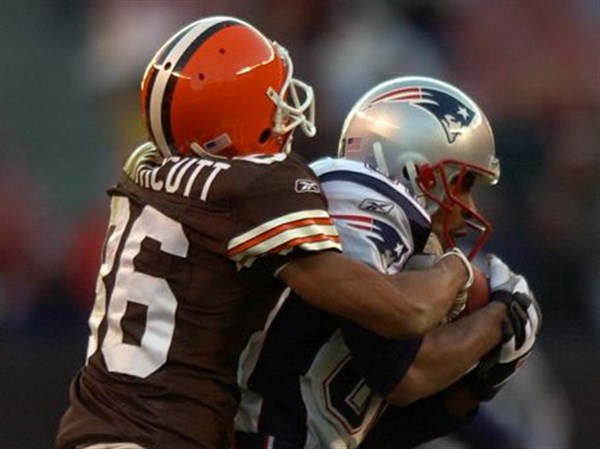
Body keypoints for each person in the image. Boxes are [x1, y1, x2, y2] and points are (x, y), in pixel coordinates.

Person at [55, 19, 474, 449]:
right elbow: (404, 312)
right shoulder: (257, 187)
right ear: (237, 118)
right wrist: (455, 271)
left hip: (87, 431)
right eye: (273, 100)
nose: (285, 110)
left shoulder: (141, 169)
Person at [233, 76, 542, 449]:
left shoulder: (394, 250)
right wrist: (498, 319)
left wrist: (478, 383)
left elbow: (373, 431)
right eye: (463, 184)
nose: (470, 210)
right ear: (412, 168)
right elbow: (405, 375)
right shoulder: (359, 198)